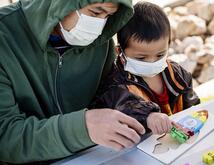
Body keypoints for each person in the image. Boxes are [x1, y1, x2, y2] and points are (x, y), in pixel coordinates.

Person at [0, 0, 146, 164]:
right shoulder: (4, 36)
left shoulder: (100, 41)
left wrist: (145, 114)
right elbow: (5, 137)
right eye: (96, 12)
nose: (99, 26)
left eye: (108, 16)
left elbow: (111, 92)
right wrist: (81, 129)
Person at [92, 2, 200, 135]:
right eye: (141, 58)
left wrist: (194, 119)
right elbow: (123, 105)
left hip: (178, 141)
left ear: (168, 44)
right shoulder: (116, 83)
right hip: (141, 147)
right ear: (119, 51)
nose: (152, 62)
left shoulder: (176, 74)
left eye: (160, 55)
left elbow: (193, 104)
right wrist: (148, 116)